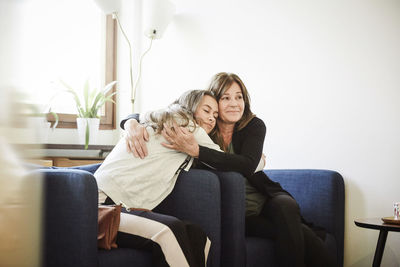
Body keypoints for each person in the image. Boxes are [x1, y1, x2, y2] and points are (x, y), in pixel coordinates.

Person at [122, 73, 335, 267]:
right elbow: (163, 111)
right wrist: (130, 122)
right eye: (225, 98)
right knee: (299, 232)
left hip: (263, 199)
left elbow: (247, 165)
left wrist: (198, 152)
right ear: (214, 101)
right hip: (237, 211)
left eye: (239, 97)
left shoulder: (254, 126)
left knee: (286, 206)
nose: (234, 103)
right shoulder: (201, 126)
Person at [95, 89, 220, 267]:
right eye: (206, 111)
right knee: (169, 231)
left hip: (120, 207)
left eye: (215, 115)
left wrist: (130, 121)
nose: (211, 119)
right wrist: (257, 160)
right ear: (190, 108)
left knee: (196, 234)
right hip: (100, 208)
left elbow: (134, 116)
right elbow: (227, 160)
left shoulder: (154, 118)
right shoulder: (189, 127)